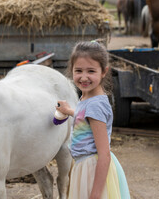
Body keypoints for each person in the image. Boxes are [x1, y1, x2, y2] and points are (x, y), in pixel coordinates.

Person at [56, 41, 130, 199]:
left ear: (104, 71)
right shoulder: (88, 96)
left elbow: (104, 154)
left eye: (91, 71)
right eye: (78, 71)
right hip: (85, 165)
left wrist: (95, 193)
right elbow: (85, 117)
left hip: (92, 169)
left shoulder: (95, 105)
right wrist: (69, 111)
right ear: (72, 70)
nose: (84, 77)